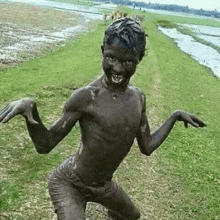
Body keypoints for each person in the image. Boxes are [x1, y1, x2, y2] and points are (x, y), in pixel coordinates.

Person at [0, 18, 206, 220]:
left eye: (128, 62)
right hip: (70, 182)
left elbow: (147, 146)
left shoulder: (138, 99)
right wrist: (31, 111)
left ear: (139, 58)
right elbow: (45, 145)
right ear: (102, 51)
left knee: (131, 216)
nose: (117, 69)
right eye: (111, 58)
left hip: (103, 186)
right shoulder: (86, 97)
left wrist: (175, 116)